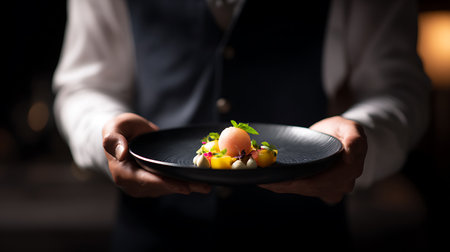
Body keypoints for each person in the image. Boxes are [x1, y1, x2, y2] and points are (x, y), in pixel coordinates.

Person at [53, 0, 430, 250]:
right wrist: (105, 132)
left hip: (303, 236)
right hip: (153, 236)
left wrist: (359, 144)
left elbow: (399, 88)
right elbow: (85, 86)